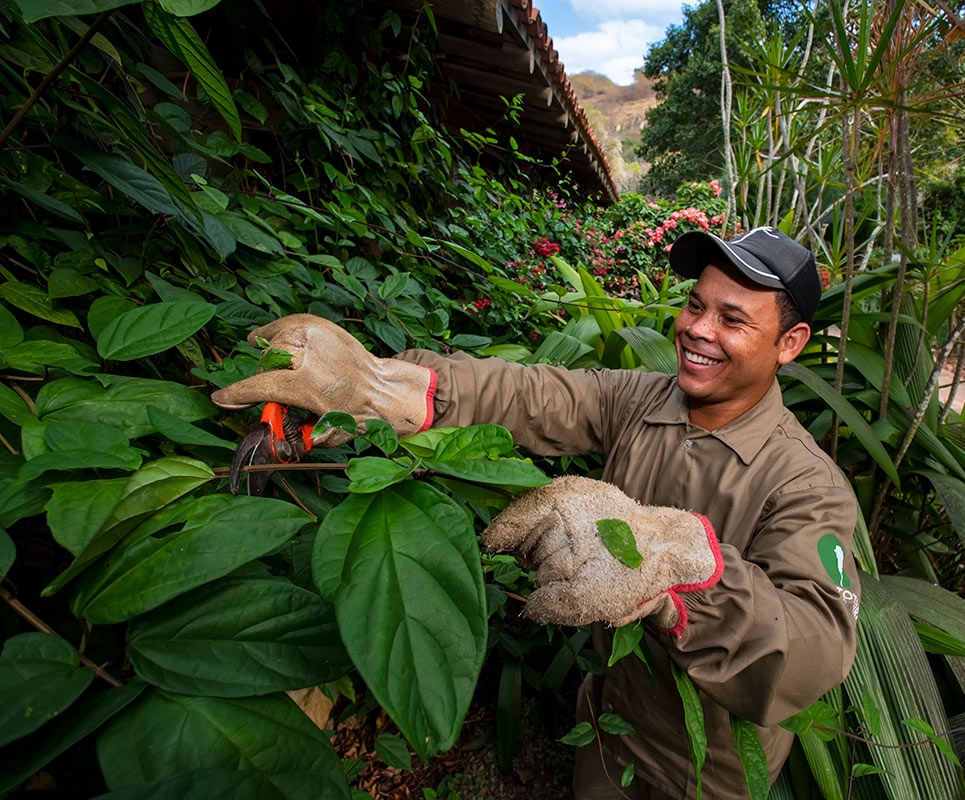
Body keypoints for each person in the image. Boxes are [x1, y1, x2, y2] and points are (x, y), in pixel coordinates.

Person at [212, 226, 860, 799]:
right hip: (607, 724)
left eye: (733, 319)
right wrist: (386, 383)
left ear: (790, 342)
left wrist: (672, 557)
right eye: (695, 305)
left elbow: (814, 649)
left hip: (706, 772)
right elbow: (534, 395)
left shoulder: (806, 485)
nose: (697, 329)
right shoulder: (645, 400)